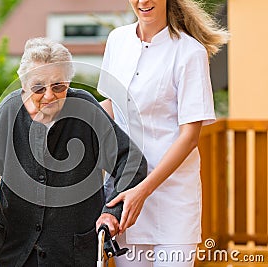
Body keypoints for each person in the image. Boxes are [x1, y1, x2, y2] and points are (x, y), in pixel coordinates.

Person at [0, 37, 147, 266]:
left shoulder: (86, 110)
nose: (49, 96)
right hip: (16, 251)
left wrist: (112, 211)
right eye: (39, 87)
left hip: (72, 253)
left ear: (69, 83)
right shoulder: (9, 111)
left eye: (58, 86)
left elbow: (131, 161)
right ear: (23, 84)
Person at [97, 0, 229, 266]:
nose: (143, 2)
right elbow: (111, 106)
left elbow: (190, 136)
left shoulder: (189, 51)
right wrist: (62, 119)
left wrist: (143, 191)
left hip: (173, 201)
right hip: (125, 195)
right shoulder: (117, 40)